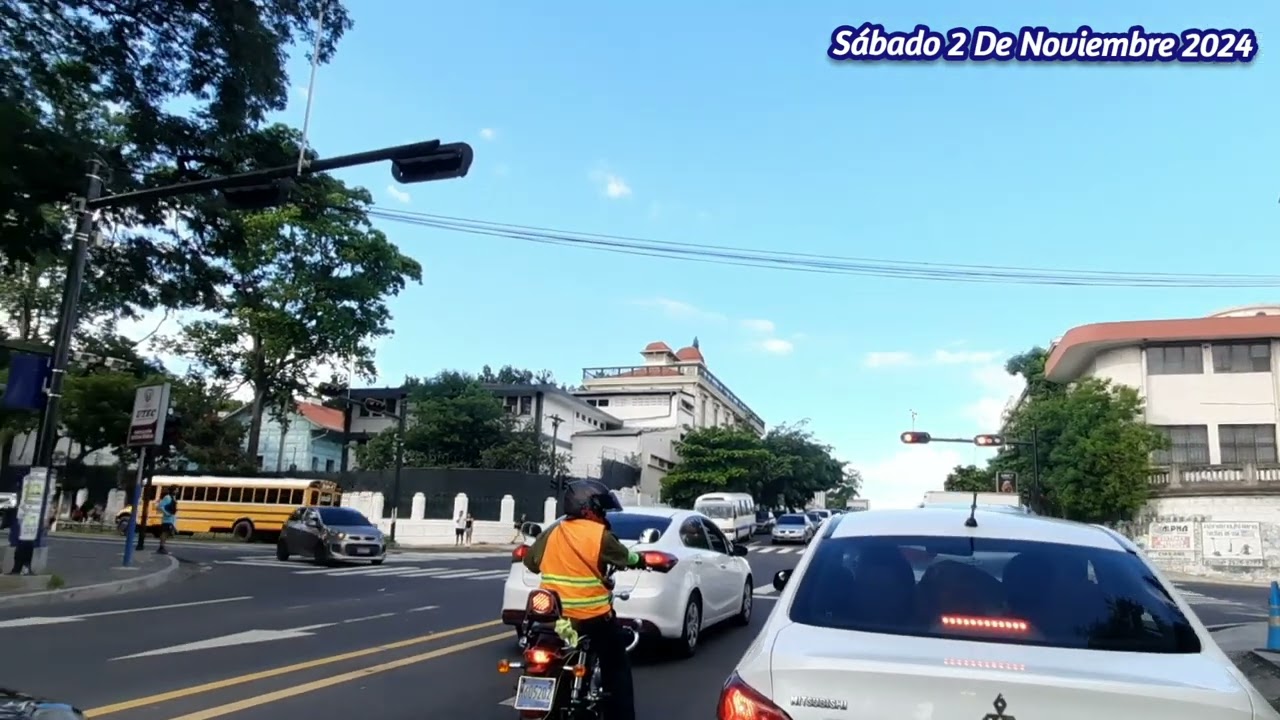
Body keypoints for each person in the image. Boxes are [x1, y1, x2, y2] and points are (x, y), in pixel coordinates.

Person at [522, 479, 646, 720]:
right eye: (600, 510)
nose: (602, 515)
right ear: (588, 508)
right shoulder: (600, 536)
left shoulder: (552, 532)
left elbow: (531, 563)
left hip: (551, 617)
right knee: (617, 665)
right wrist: (643, 560)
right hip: (592, 618)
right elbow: (627, 557)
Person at [156, 487, 177, 555]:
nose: (177, 491)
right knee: (164, 533)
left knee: (168, 533)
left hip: (171, 519)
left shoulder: (173, 497)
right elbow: (160, 506)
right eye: (176, 490)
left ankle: (162, 547)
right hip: (167, 519)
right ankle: (161, 547)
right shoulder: (167, 497)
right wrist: (166, 513)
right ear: (173, 490)